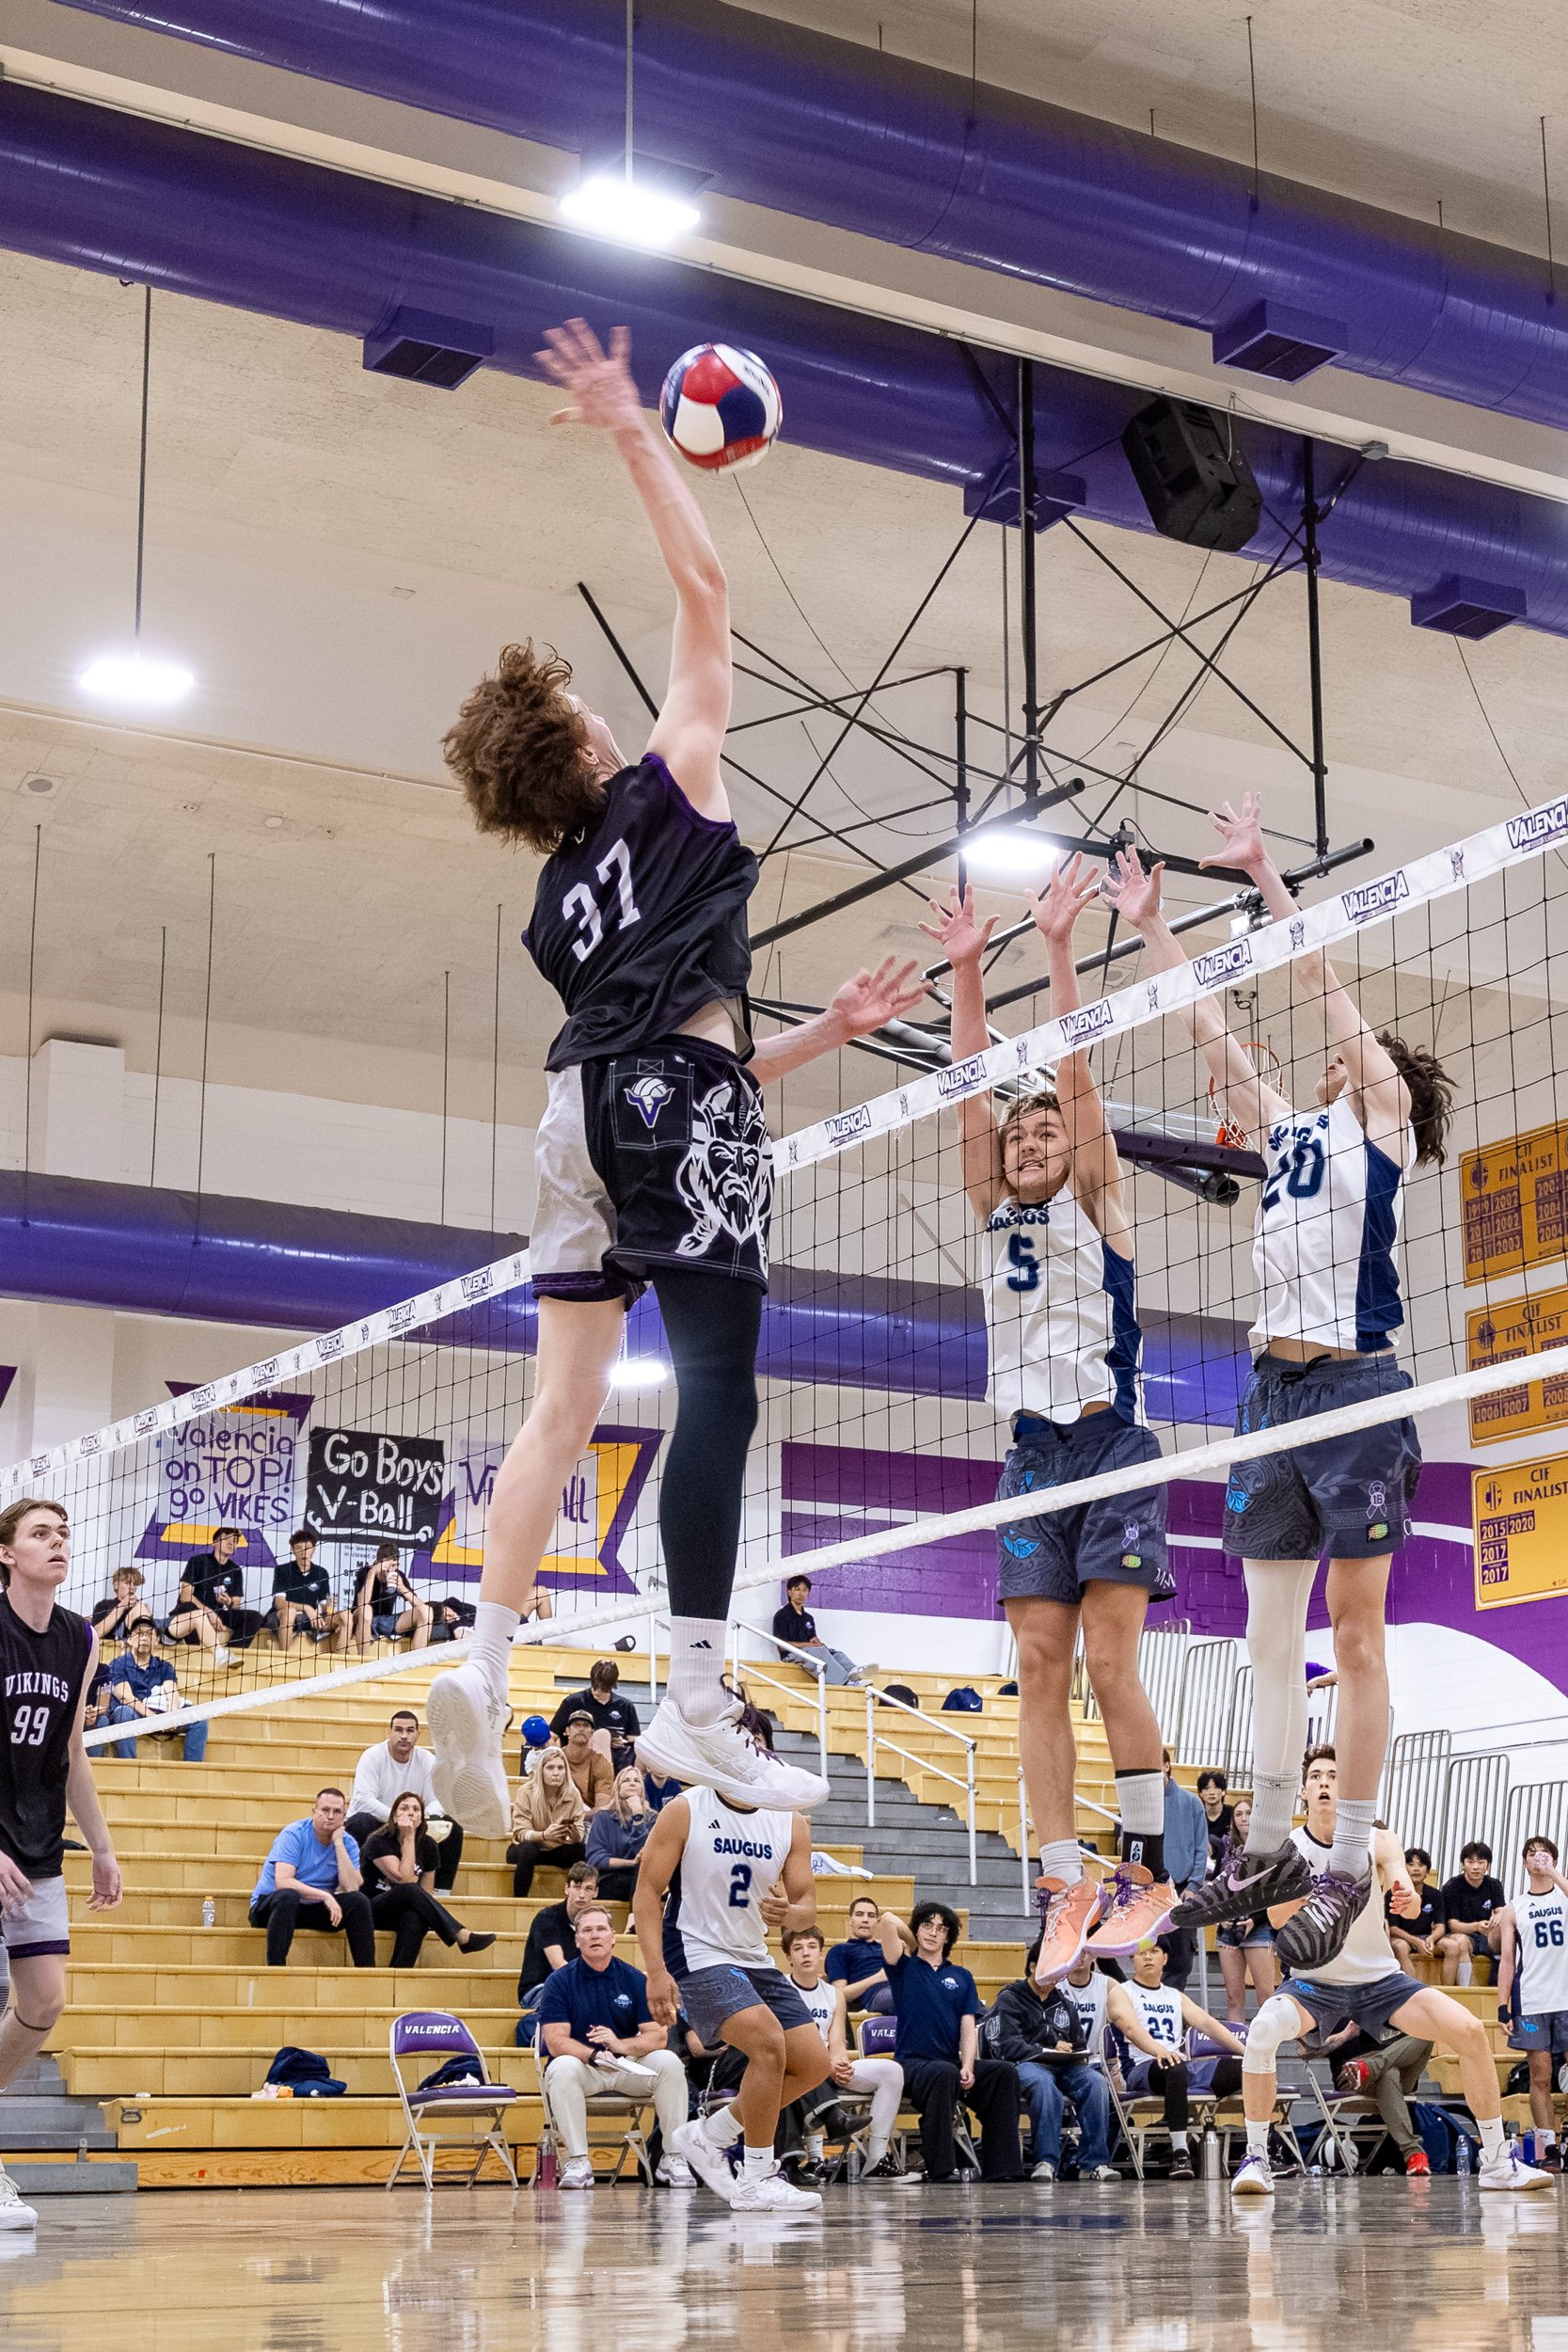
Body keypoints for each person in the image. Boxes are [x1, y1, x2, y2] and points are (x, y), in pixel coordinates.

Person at [430, 316, 923, 1836]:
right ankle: (696, 1701)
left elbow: (660, 1051)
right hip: (670, 1102)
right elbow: (706, 592)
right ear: (582, 745)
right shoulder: (672, 785)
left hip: (575, 1112)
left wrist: (819, 1039)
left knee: (559, 1408)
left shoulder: (552, 904)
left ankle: (481, 1655)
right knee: (717, 1385)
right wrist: (632, 426)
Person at [1109, 801, 1453, 1973]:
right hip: (1269, 1399)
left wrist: (1264, 874)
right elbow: (1208, 1030)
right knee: (1264, 1633)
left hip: (1355, 1395)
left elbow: (1318, 981)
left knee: (1353, 1636)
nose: (1331, 1059)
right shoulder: (1293, 1134)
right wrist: (1152, 930)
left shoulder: (1381, 1127)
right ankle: (1265, 1843)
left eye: (1352, 1055)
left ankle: (1348, 1856)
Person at [925, 867, 1176, 1971]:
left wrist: (1060, 949)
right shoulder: (992, 1210)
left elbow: (1075, 1076)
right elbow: (966, 1091)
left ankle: (1147, 1868)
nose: (1028, 1142)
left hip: (1109, 1443)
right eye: (1017, 1135)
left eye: (1043, 1133)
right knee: (1035, 1661)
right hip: (1029, 1458)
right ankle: (1064, 1877)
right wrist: (967, 970)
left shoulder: (1095, 1198)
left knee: (1108, 1663)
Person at [1229, 1744, 1550, 2197]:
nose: (1324, 1783)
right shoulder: (1287, 1850)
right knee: (1261, 2033)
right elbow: (1280, 1918)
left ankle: (1497, 2161)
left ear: (1346, 1787)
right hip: (1314, 1983)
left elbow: (1409, 1898)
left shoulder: (1377, 1840)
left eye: (1333, 1776)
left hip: (1379, 1980)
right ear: (1303, 1791)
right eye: (1316, 1776)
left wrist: (1407, 1897)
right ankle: (1257, 2160)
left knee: (1469, 2031)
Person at [0, 1497, 122, 2233]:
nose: (57, 1543)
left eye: (64, 1534)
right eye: (40, 1533)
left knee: (44, 2003)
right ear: (6, 1553)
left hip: (39, 1843)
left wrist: (101, 1846)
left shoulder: (80, 1638)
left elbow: (73, 1748)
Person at [635, 1780, 829, 2211]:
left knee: (814, 2064)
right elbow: (647, 1890)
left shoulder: (790, 1821)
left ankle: (710, 2134)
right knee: (767, 2044)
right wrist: (655, 1970)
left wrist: (791, 1913)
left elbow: (807, 1907)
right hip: (694, 1949)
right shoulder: (686, 1808)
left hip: (753, 1954)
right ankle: (757, 2177)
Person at [535, 1902, 694, 2189]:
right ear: (577, 1940)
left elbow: (657, 2037)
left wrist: (619, 2045)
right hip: (585, 2068)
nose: (595, 1935)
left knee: (669, 2062)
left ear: (613, 1937)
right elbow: (555, 2041)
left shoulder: (634, 1978)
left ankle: (673, 2158)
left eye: (601, 1929)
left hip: (626, 2066)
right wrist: (594, 2054)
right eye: (587, 1930)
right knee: (560, 2067)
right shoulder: (559, 1981)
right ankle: (578, 2161)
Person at [876, 1901, 1023, 2185]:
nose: (933, 1932)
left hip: (951, 2064)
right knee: (943, 2073)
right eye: (927, 1925)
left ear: (949, 1936)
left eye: (941, 1929)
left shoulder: (962, 1977)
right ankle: (942, 2168)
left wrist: (968, 2066)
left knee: (1003, 2073)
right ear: (917, 1929)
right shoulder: (902, 1966)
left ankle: (1002, 2168)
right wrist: (915, 1943)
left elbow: (968, 2028)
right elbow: (888, 1920)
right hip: (912, 2066)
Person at [1107, 1941, 1246, 2179]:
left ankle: (1262, 2146)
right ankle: (1180, 2153)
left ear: (1165, 1959)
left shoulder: (1175, 1996)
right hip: (1141, 2068)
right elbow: (1130, 2028)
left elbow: (1207, 2024)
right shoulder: (1121, 1992)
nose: (1147, 1957)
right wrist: (1159, 2051)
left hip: (1178, 2066)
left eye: (1154, 1952)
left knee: (1246, 2069)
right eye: (1141, 1953)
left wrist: (1248, 2053)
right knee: (1174, 2066)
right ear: (1132, 1959)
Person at [990, 1936, 1118, 2183]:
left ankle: (1094, 2163)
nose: (1054, 1978)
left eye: (1058, 1972)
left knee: (1096, 2082)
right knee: (1045, 2086)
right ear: (1032, 1967)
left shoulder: (1063, 2002)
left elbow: (1078, 2042)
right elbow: (1006, 2044)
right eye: (1049, 1970)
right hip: (1027, 2064)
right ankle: (1046, 2162)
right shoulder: (1010, 1998)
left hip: (1065, 2066)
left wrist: (1073, 2052)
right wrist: (1045, 2047)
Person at [781, 1924, 903, 2179]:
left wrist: (839, 2063)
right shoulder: (781, 1989)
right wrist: (826, 2064)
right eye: (798, 1948)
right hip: (795, 2066)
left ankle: (875, 2159)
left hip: (827, 2067)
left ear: (821, 1955)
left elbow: (836, 2041)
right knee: (800, 2064)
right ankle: (828, 2127)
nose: (806, 1953)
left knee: (891, 2071)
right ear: (789, 1957)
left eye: (812, 1947)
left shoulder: (834, 1994)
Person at [1497, 1834, 1568, 2172]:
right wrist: (1503, 2006)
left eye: (1544, 1853)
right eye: (1531, 1853)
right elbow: (1507, 1959)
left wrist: (1553, 1873)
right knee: (1540, 2075)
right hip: (1533, 1999)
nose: (1537, 1857)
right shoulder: (1515, 1907)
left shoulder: (1563, 1893)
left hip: (1565, 1997)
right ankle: (1548, 2146)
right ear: (1524, 1863)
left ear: (1554, 1858)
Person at [359, 1792, 495, 1968]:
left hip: (404, 1908)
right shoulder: (378, 1842)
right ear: (394, 1816)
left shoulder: (428, 1845)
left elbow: (425, 1893)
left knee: (416, 1917)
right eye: (404, 1808)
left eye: (416, 1809)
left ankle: (398, 1975)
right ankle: (461, 1935)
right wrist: (409, 1837)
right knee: (409, 1889)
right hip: (372, 1908)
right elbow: (405, 1879)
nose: (411, 1813)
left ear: (422, 1817)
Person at [248, 1788, 374, 1969]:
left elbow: (352, 1887)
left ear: (344, 1816)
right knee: (288, 1896)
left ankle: (367, 1973)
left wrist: (338, 1844)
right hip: (272, 1907)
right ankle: (276, 1970)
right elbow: (283, 1881)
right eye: (325, 1810)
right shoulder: (294, 1834)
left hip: (310, 1909)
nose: (330, 1816)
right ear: (314, 1811)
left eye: (336, 1812)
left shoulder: (347, 1842)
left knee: (359, 1901)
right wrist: (325, 1896)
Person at [345, 1709, 464, 1893]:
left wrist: (420, 1818)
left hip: (413, 1824)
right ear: (389, 1732)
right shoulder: (372, 1756)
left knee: (452, 1828)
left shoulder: (427, 1759)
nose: (404, 1736)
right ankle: (360, 1886)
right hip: (380, 1824)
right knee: (360, 1822)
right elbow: (363, 1800)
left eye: (410, 1730)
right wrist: (398, 1819)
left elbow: (438, 1799)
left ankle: (440, 1892)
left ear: (418, 1734)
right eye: (398, 1730)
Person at [1332, 2030, 1437, 2176]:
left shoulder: (1403, 2016)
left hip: (1397, 2062)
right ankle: (1414, 2154)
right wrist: (1345, 2034)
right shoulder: (1341, 2016)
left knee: (1427, 2033)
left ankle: (1371, 2068)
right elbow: (1309, 2049)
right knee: (1389, 2073)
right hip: (1353, 2070)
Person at [103, 1617, 207, 1762]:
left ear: (157, 1641)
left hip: (159, 1713)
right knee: (122, 1713)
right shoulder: (118, 1664)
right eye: (139, 1633)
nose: (144, 1638)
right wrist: (154, 1719)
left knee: (199, 1717)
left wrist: (171, 1716)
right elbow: (125, 1697)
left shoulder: (164, 1666)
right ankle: (128, 1764)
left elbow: (172, 1692)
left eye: (149, 1634)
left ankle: (192, 1767)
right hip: (135, 1713)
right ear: (129, 1639)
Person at [1215, 1797, 1277, 2021]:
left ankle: (1267, 2041)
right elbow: (1217, 1886)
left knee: (1265, 1996)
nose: (1244, 1818)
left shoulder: (1270, 1850)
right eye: (1239, 1814)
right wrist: (1220, 1914)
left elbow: (1276, 1893)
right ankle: (1235, 2043)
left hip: (1259, 1926)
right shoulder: (1226, 1849)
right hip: (1229, 1928)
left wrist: (1257, 1919)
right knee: (1233, 1997)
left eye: (1249, 1813)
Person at [518, 1860, 602, 2011]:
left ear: (595, 1892)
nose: (582, 1895)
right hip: (539, 1989)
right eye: (577, 1887)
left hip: (575, 1988)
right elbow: (558, 1964)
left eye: (588, 1888)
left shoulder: (594, 1924)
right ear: (567, 1888)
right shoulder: (546, 1918)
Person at [1158, 1749, 1210, 1992]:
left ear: (1167, 1766)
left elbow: (1201, 1847)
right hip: (1152, 1891)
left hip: (1183, 1890)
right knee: (1149, 1953)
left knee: (1181, 1959)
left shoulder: (1191, 1803)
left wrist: (1194, 1885)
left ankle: (1172, 2008)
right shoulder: (1141, 1804)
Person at [166, 1526, 259, 1660]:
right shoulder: (198, 1561)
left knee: (254, 1617)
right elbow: (185, 1596)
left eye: (234, 1541)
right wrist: (208, 1612)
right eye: (226, 1538)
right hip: (194, 1610)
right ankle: (197, 1654)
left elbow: (236, 1603)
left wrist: (228, 1601)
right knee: (187, 1607)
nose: (231, 1542)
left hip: (220, 1613)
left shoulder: (235, 1570)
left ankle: (231, 1654)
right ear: (214, 1543)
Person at [508, 1748, 589, 1898]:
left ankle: (577, 1898)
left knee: (582, 1851)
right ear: (541, 1770)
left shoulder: (573, 1794)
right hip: (528, 1848)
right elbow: (520, 1832)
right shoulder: (526, 1792)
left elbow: (579, 1833)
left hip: (557, 1849)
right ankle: (519, 1900)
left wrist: (572, 1834)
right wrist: (543, 1835)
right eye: (550, 1768)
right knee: (528, 1849)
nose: (556, 1773)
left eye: (560, 1768)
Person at [267, 1529, 351, 1657]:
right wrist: (306, 1608)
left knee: (346, 1616)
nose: (304, 1552)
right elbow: (279, 1603)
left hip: (310, 1618)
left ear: (314, 1549)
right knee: (290, 1612)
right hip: (284, 1617)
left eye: (307, 1548)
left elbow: (325, 1608)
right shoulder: (282, 1570)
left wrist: (330, 1605)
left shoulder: (321, 1573)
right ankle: (284, 1659)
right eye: (299, 1548)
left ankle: (341, 1661)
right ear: (293, 1550)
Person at [771, 1574, 863, 1686]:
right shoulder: (781, 1615)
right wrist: (810, 1645)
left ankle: (853, 1672)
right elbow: (782, 1646)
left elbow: (813, 1640)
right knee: (819, 1651)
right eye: (797, 1589)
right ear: (789, 1592)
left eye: (805, 1590)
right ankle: (844, 1682)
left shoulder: (808, 1618)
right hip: (791, 1655)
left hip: (809, 1651)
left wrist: (818, 1643)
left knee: (836, 1653)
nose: (801, 1593)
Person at [1437, 1841, 1508, 1985]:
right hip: (1462, 1933)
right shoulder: (1452, 1886)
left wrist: (1498, 1916)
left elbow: (1500, 1910)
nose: (1475, 1867)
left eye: (1481, 1862)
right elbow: (1453, 1925)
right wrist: (1476, 1926)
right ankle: (1465, 1989)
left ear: (1487, 1865)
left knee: (1505, 1928)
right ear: (1463, 1865)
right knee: (1461, 1942)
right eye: (1470, 1862)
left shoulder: (1494, 1884)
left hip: (1486, 1934)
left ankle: (1500, 1977)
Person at [548, 1660, 641, 1768]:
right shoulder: (572, 1702)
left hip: (617, 1763)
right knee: (601, 1735)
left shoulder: (626, 1706)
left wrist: (623, 1743)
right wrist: (560, 1761)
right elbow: (551, 1736)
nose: (598, 1692)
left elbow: (634, 1743)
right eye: (596, 1686)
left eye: (604, 1688)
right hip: (579, 1763)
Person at [585, 1765, 655, 1900]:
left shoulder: (652, 1818)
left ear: (642, 1790)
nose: (632, 1783)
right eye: (626, 1780)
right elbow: (596, 1859)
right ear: (618, 1788)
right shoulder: (603, 1817)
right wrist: (632, 1863)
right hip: (610, 1877)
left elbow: (648, 1856)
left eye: (636, 1780)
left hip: (642, 1877)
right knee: (625, 1884)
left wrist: (638, 1816)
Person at [351, 1543, 434, 1652]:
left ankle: (417, 1658)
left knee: (426, 1611)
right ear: (380, 1562)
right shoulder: (365, 1572)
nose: (392, 1569)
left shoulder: (398, 1575)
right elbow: (362, 1603)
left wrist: (403, 1588)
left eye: (395, 1565)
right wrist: (373, 1573)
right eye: (389, 1565)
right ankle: (364, 1659)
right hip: (362, 1619)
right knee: (366, 1610)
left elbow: (419, 1605)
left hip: (385, 1621)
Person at [826, 1892, 894, 2015]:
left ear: (877, 1922)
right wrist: (878, 1977)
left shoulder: (887, 1948)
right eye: (859, 1914)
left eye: (871, 1916)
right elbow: (839, 1995)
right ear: (850, 1920)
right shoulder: (840, 1950)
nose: (865, 1920)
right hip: (878, 1995)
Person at [1387, 1844, 1442, 1974]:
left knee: (1453, 1946)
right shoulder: (1393, 1893)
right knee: (1400, 1947)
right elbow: (1393, 1928)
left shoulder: (1436, 1895)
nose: (1416, 1869)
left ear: (1427, 1871)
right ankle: (1414, 1985)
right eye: (1411, 1864)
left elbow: (1441, 1926)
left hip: (1427, 1938)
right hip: (1402, 1938)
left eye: (1421, 1865)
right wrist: (1414, 1941)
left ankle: (1453, 1986)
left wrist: (1432, 1938)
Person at [559, 1713, 614, 1815]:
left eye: (586, 1725)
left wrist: (578, 1817)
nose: (581, 1729)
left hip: (589, 1819)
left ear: (592, 1733)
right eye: (576, 1725)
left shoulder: (601, 1763)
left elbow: (602, 1808)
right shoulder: (555, 1758)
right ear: (567, 1731)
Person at [89, 1565, 155, 1645]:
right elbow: (97, 1633)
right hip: (109, 1646)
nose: (132, 1587)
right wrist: (122, 1606)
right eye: (128, 1583)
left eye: (135, 1584)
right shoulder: (104, 1605)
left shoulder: (140, 1609)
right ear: (116, 1585)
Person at [1196, 1770, 1234, 1870]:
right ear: (1201, 1793)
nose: (1211, 1792)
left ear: (1223, 1791)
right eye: (1206, 1788)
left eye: (1216, 1787)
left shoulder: (1233, 1814)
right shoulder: (1195, 1815)